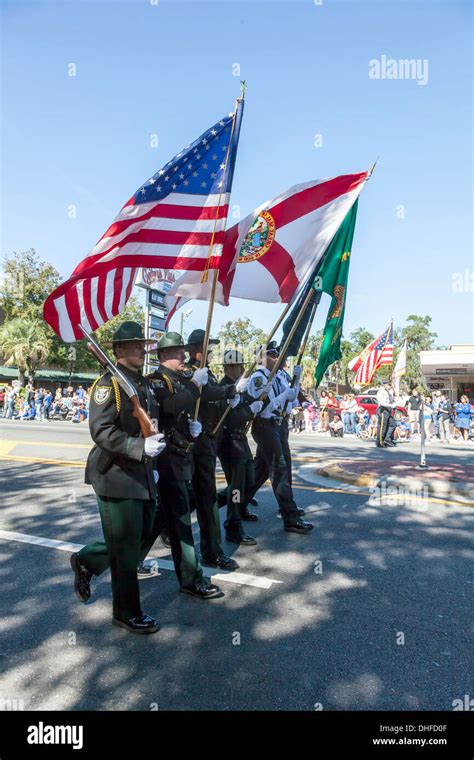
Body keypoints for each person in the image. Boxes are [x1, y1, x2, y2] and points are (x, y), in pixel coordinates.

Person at [70, 321, 166, 635]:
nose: (142, 349)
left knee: (141, 534)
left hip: (141, 472)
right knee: (125, 547)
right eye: (135, 345)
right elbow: (101, 431)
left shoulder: (142, 383)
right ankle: (126, 613)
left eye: (143, 344)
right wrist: (138, 446)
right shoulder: (108, 384)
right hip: (115, 475)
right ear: (119, 350)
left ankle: (87, 560)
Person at [146, 331, 223, 597]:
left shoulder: (179, 380)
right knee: (180, 523)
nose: (183, 355)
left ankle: (97, 558)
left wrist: (192, 428)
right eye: (178, 352)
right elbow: (169, 407)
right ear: (164, 355)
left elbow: (181, 412)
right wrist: (194, 387)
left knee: (162, 520)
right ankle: (192, 579)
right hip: (167, 461)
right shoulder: (156, 381)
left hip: (181, 458)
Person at [243, 342, 313, 535]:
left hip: (280, 425)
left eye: (277, 355)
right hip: (265, 426)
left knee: (264, 470)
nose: (276, 358)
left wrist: (297, 379)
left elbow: (292, 397)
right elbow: (264, 407)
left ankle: (239, 504)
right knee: (279, 468)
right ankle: (289, 516)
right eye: (272, 355)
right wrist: (284, 396)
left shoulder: (280, 375)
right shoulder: (258, 378)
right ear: (262, 358)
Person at [184, 328, 239, 570]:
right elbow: (203, 395)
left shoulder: (208, 373)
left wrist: (230, 400)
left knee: (198, 499)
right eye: (208, 347)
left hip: (208, 441)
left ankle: (210, 549)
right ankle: (212, 552)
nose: (212, 352)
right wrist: (229, 390)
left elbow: (212, 400)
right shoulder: (189, 373)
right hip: (194, 444)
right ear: (197, 350)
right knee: (204, 499)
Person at [217, 349, 262, 546]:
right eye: (238, 366)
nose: (243, 369)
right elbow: (231, 417)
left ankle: (211, 502)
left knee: (248, 480)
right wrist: (248, 411)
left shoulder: (238, 386)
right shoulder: (224, 388)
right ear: (228, 367)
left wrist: (261, 395)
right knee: (236, 488)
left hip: (240, 441)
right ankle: (233, 527)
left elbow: (249, 404)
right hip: (229, 442)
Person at [375, 381, 397, 447]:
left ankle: (387, 439)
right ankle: (380, 441)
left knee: (392, 424)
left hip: (388, 410)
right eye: (389, 385)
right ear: (384, 385)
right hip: (383, 410)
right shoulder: (381, 392)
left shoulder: (388, 392)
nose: (390, 386)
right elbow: (381, 403)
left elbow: (391, 400)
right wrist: (391, 405)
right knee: (382, 427)